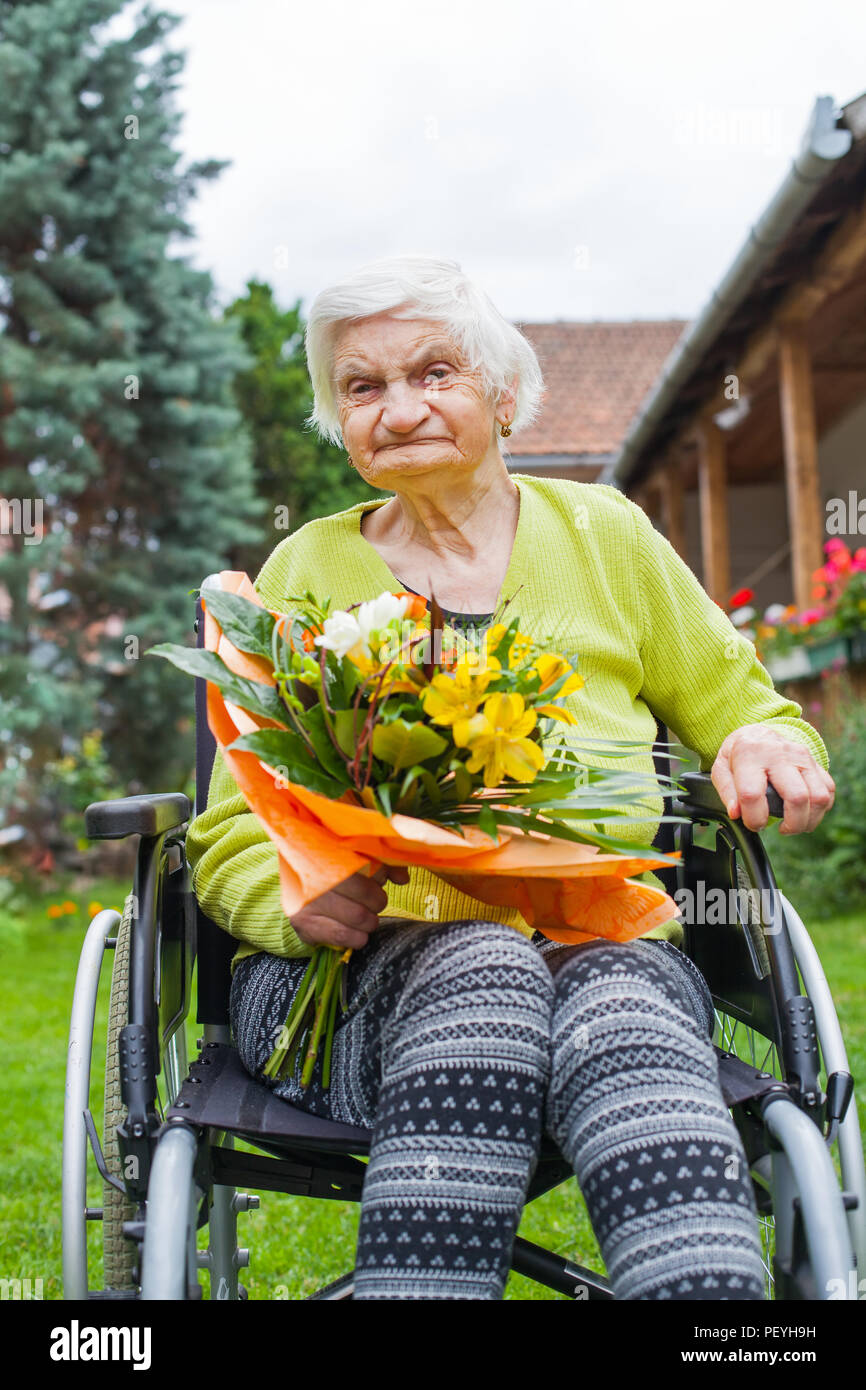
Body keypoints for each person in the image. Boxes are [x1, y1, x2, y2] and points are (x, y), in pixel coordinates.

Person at [185, 254, 834, 1301]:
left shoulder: (607, 537)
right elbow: (226, 831)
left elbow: (744, 706)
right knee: (479, 961)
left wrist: (764, 743)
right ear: (336, 416)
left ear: (500, 389)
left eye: (432, 372)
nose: (398, 409)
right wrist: (293, 892)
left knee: (621, 1006)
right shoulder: (303, 573)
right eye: (361, 387)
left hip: (603, 954)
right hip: (350, 993)